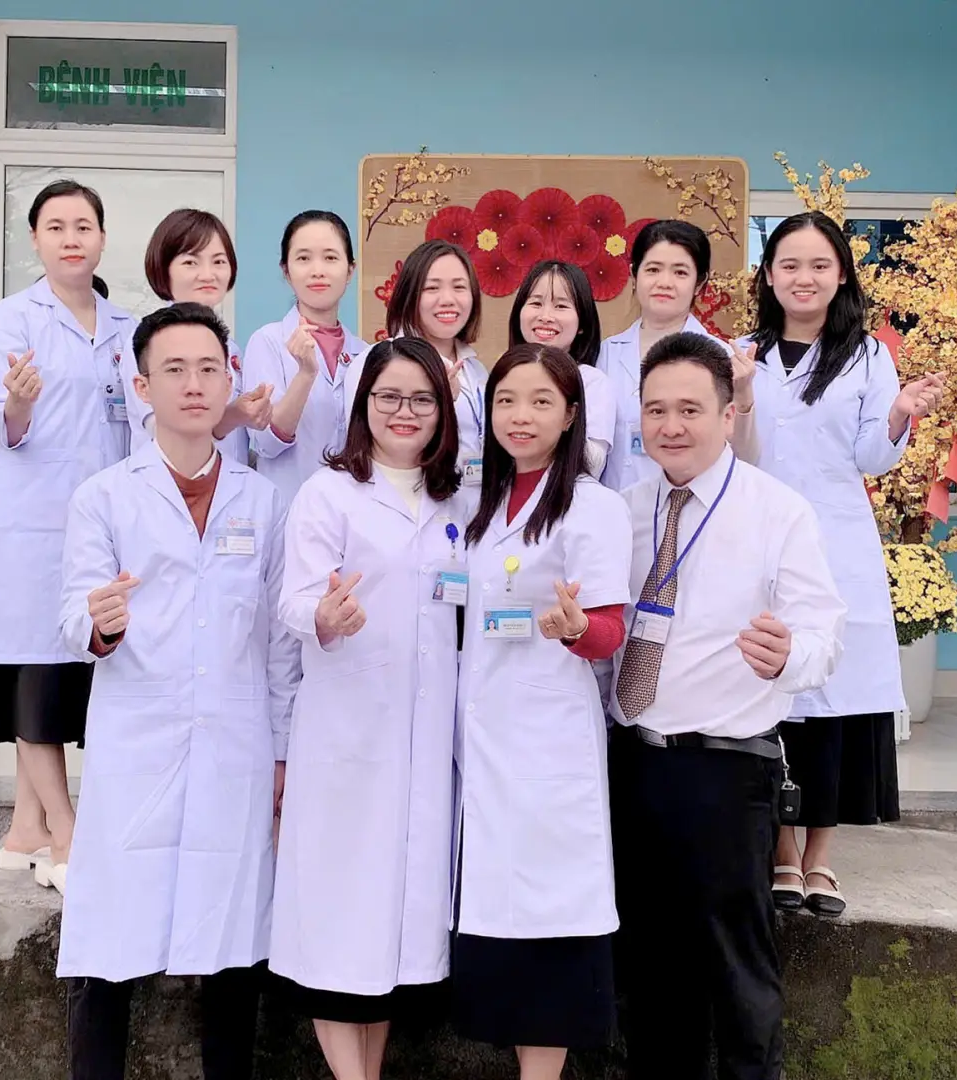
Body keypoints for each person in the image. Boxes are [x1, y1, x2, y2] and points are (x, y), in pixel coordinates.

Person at [54, 303, 297, 1080]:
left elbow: (280, 643)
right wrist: (100, 624)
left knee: (230, 942)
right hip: (138, 743)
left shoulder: (263, 502)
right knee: (111, 938)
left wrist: (284, 752)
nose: (193, 385)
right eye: (174, 370)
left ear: (230, 380)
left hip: (234, 743)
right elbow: (74, 613)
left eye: (208, 369)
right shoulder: (103, 497)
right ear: (141, 387)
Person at [607, 331, 846, 1080]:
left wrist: (790, 655)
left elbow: (823, 634)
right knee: (650, 971)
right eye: (655, 410)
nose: (670, 426)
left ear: (727, 412)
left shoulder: (776, 511)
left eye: (689, 409)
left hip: (726, 770)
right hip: (632, 765)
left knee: (737, 970)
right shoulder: (622, 510)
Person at [271, 336, 470, 1080]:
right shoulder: (329, 493)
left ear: (443, 410)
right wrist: (325, 616)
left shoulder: (457, 498)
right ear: (363, 405)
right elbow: (294, 599)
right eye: (389, 397)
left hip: (427, 734)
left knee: (392, 926)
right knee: (339, 910)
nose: (404, 412)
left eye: (422, 398)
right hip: (349, 731)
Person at [745, 211, 946, 919]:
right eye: (789, 264)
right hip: (759, 539)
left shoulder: (866, 356)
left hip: (836, 541)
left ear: (840, 277)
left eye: (819, 265)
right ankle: (780, 853)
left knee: (834, 699)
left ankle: (820, 858)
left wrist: (898, 413)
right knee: (770, 692)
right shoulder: (741, 354)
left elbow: (870, 457)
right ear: (769, 275)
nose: (803, 278)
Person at [454, 344, 633, 1080]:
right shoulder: (477, 501)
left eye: (539, 402)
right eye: (505, 401)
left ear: (570, 415)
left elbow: (610, 629)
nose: (519, 416)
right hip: (482, 731)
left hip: (549, 735)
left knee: (554, 917)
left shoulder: (595, 507)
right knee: (498, 914)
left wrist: (576, 630)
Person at [0, 179, 132, 888]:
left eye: (83, 226)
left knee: (68, 672)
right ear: (35, 239)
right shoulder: (12, 319)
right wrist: (20, 404)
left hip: (102, 521)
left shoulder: (123, 328)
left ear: (101, 238)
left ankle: (24, 829)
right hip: (30, 524)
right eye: (55, 226)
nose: (70, 239)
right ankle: (67, 833)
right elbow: (0, 425)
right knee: (33, 669)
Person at [598, 220, 758, 490]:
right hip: (614, 506)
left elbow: (745, 457)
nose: (664, 282)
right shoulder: (605, 353)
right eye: (653, 269)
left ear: (699, 283)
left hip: (689, 507)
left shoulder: (723, 358)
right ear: (634, 275)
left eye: (680, 272)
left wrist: (743, 396)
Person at [244, 210, 370, 499]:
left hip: (352, 512)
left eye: (330, 257)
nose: (317, 270)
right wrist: (305, 374)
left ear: (350, 271)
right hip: (288, 509)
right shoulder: (267, 342)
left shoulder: (364, 354)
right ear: (286, 271)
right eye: (303, 258)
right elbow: (265, 443)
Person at [131, 209, 272, 463]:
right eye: (191, 262)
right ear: (163, 268)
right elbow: (166, 430)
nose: (208, 274)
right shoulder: (148, 340)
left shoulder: (230, 347)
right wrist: (235, 415)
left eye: (218, 262)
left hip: (228, 479)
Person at [347, 239, 489, 486]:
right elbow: (361, 447)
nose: (448, 299)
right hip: (409, 500)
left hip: (474, 501)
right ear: (409, 295)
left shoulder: (476, 369)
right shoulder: (378, 361)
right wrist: (440, 401)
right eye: (432, 288)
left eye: (459, 287)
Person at [506, 260, 619, 478]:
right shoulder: (504, 376)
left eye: (561, 306)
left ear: (582, 323)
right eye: (536, 303)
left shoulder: (592, 382)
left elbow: (593, 463)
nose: (545, 316)